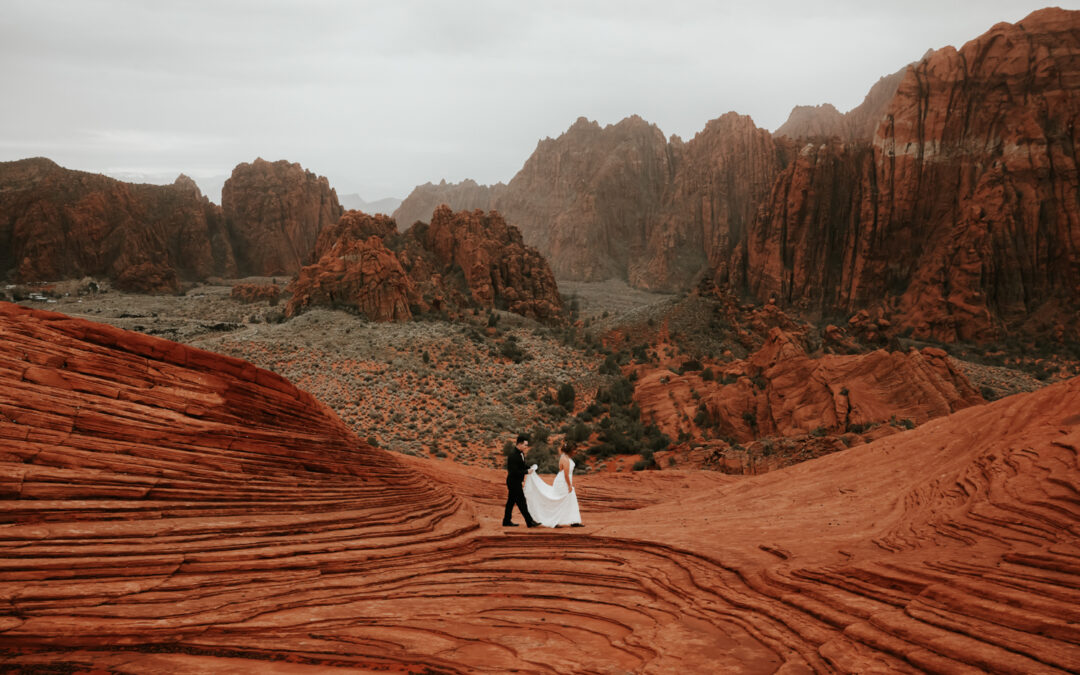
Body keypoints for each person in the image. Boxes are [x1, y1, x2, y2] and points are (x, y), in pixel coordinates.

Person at [523, 442, 583, 527]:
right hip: (563, 482)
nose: (576, 451)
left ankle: (573, 521)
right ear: (570, 450)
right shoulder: (565, 459)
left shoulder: (564, 457)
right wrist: (569, 486)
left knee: (569, 499)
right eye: (574, 450)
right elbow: (566, 474)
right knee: (562, 500)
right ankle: (557, 521)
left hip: (562, 480)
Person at [503, 433, 538, 528]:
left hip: (515, 481)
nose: (526, 447)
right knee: (521, 502)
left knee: (511, 502)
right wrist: (527, 471)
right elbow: (514, 471)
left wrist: (530, 467)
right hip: (513, 482)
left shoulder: (520, 453)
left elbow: (521, 466)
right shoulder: (513, 455)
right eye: (525, 445)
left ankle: (506, 521)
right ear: (519, 444)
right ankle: (529, 522)